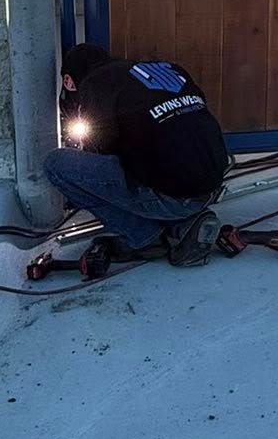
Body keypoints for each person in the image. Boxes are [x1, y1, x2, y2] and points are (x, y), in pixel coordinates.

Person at [45, 43, 229, 277]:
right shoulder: (163, 69)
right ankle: (183, 224)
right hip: (212, 185)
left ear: (69, 82)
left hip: (174, 197)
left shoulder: (93, 85)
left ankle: (145, 237)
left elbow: (103, 155)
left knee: (56, 165)